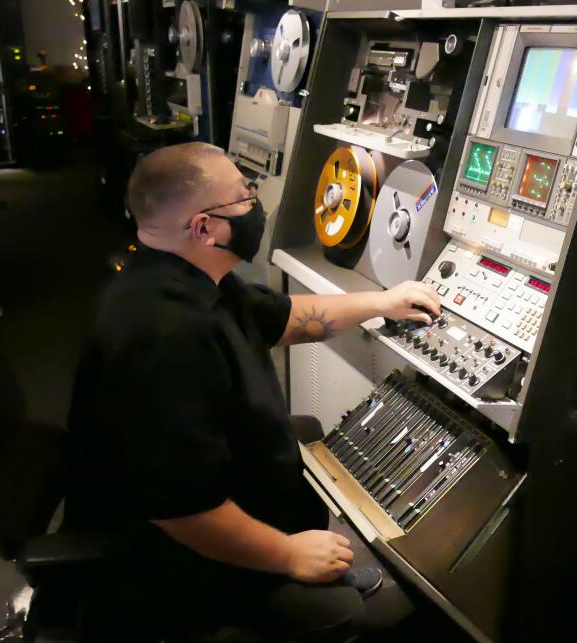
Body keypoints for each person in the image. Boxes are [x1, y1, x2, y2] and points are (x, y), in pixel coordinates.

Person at [64, 142, 441, 641]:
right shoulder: (162, 336)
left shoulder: (193, 275)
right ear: (205, 228)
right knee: (342, 611)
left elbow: (288, 319)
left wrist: (382, 302)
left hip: (226, 500)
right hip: (170, 559)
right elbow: (183, 512)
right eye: (244, 198)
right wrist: (289, 556)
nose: (255, 204)